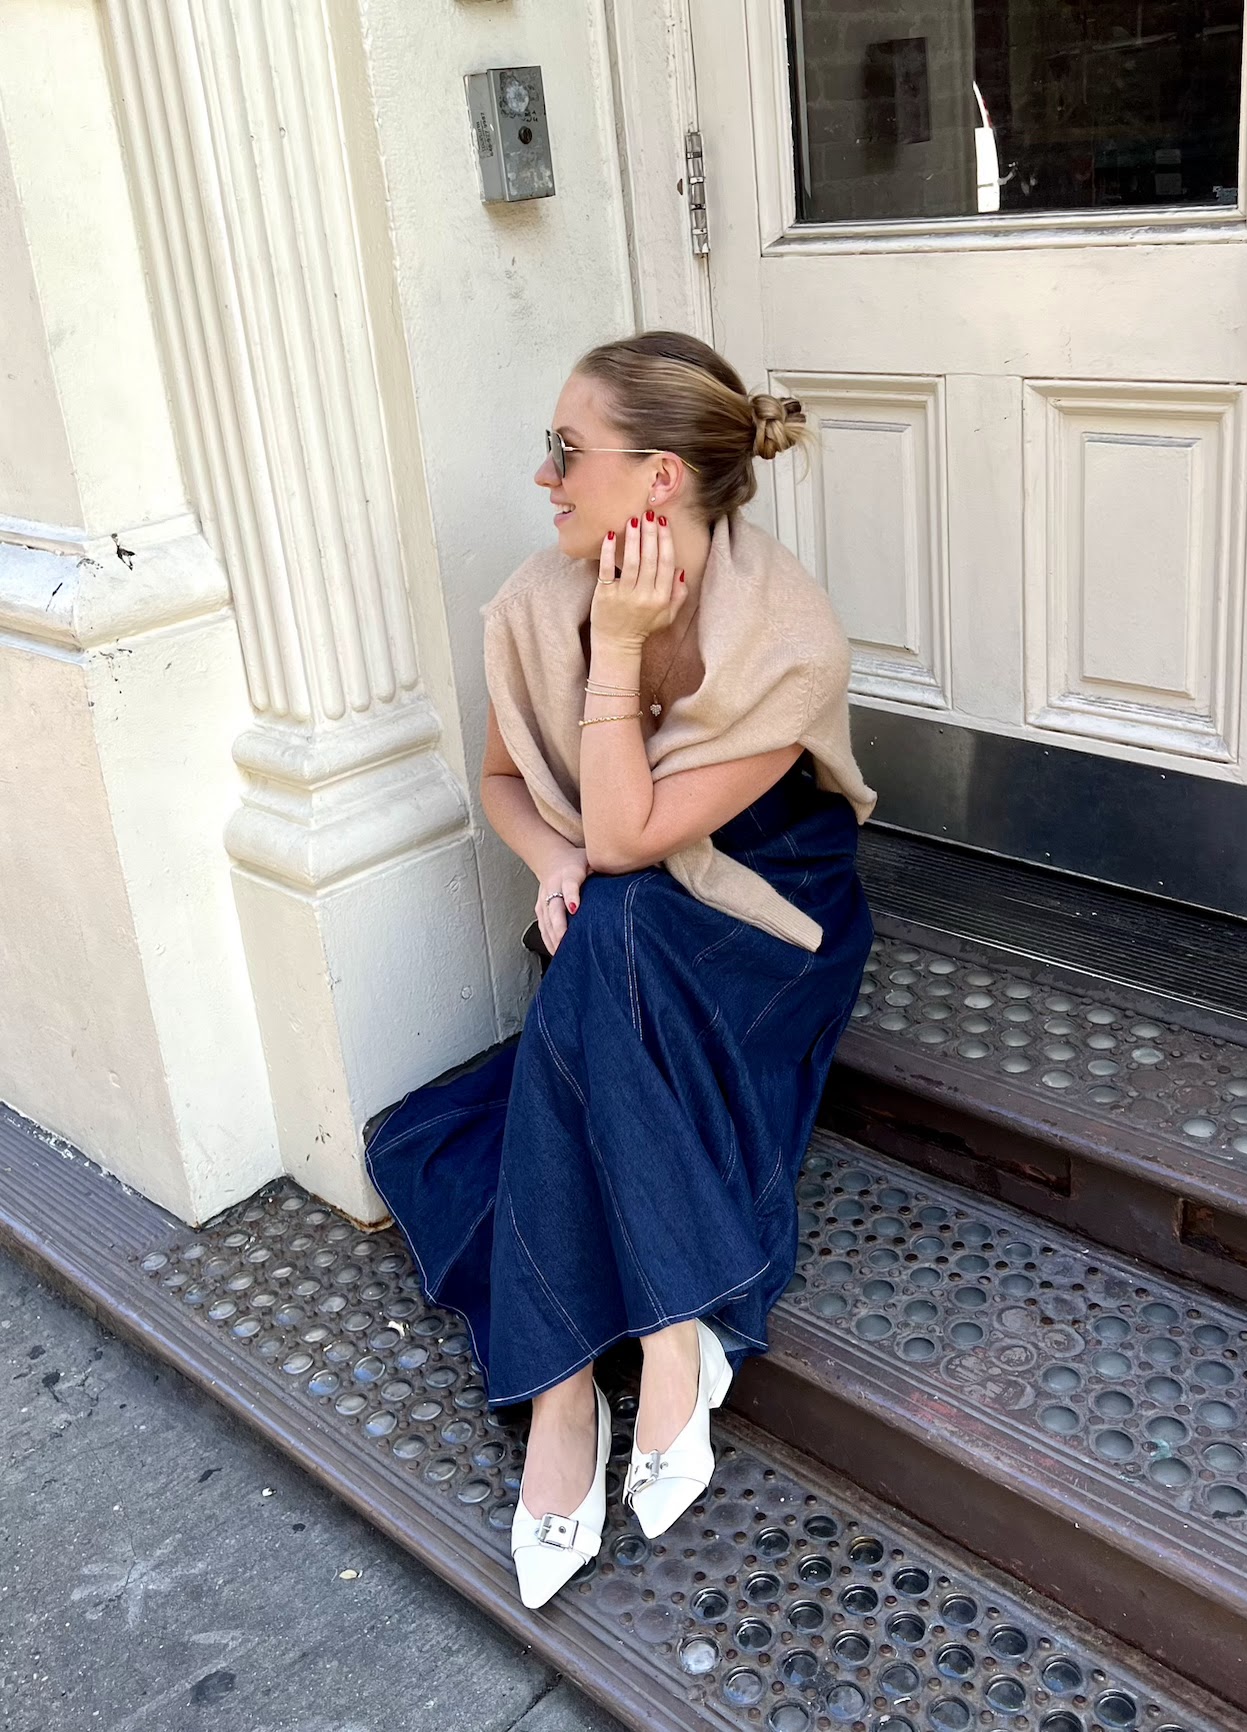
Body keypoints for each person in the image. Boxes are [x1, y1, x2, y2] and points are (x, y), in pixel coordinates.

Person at [365, 330, 876, 1609]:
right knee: (603, 923)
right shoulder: (536, 602)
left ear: (657, 478)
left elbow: (633, 837)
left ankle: (561, 1383)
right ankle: (662, 1330)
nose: (543, 477)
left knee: (616, 922)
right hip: (622, 893)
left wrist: (622, 650)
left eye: (565, 448)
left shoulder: (786, 634)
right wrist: (546, 857)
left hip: (766, 911)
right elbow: (515, 788)